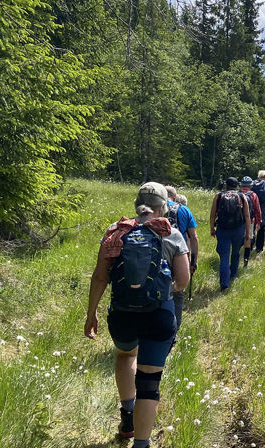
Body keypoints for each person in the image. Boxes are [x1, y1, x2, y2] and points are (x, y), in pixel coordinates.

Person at [85, 182, 190, 448]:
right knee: (149, 382)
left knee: (125, 355)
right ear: (163, 207)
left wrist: (92, 314)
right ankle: (142, 444)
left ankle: (127, 416)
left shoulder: (116, 232)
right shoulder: (171, 233)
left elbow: (99, 277)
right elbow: (183, 279)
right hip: (159, 315)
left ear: (137, 205)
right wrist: (164, 290)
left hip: (121, 314)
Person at [164, 186, 199, 330]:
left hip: (155, 254)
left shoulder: (153, 208)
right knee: (178, 293)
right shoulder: (183, 210)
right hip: (179, 254)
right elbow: (193, 237)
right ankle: (174, 330)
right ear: (175, 195)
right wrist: (193, 261)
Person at [209, 177, 252, 291]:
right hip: (238, 229)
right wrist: (247, 232)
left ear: (226, 185)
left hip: (222, 229)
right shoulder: (242, 196)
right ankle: (233, 275)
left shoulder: (218, 196)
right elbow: (247, 216)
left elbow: (213, 214)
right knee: (236, 252)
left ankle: (224, 283)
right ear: (237, 185)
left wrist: (212, 228)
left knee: (224, 256)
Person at [239, 176, 262, 267]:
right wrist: (259, 221)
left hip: (238, 221)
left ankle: (235, 258)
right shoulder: (253, 195)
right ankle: (246, 261)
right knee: (248, 239)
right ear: (251, 186)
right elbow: (257, 209)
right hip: (250, 221)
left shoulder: (237, 193)